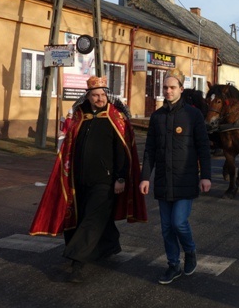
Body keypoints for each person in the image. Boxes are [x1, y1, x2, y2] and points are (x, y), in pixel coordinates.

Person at [30, 76, 147, 283]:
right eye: (95, 95)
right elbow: (67, 146)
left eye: (103, 95)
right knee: (82, 216)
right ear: (89, 96)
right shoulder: (79, 117)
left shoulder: (115, 117)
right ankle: (110, 244)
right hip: (79, 180)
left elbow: (123, 151)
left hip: (106, 181)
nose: (100, 98)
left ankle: (77, 262)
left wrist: (120, 178)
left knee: (91, 220)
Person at [140, 68, 212, 285]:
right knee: (166, 227)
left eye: (172, 87)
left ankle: (189, 251)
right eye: (165, 87)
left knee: (179, 223)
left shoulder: (193, 115)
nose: (168, 91)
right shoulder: (157, 117)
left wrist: (206, 176)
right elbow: (150, 150)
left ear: (181, 89)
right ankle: (173, 265)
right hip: (163, 179)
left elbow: (203, 147)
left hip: (185, 179)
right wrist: (145, 177)